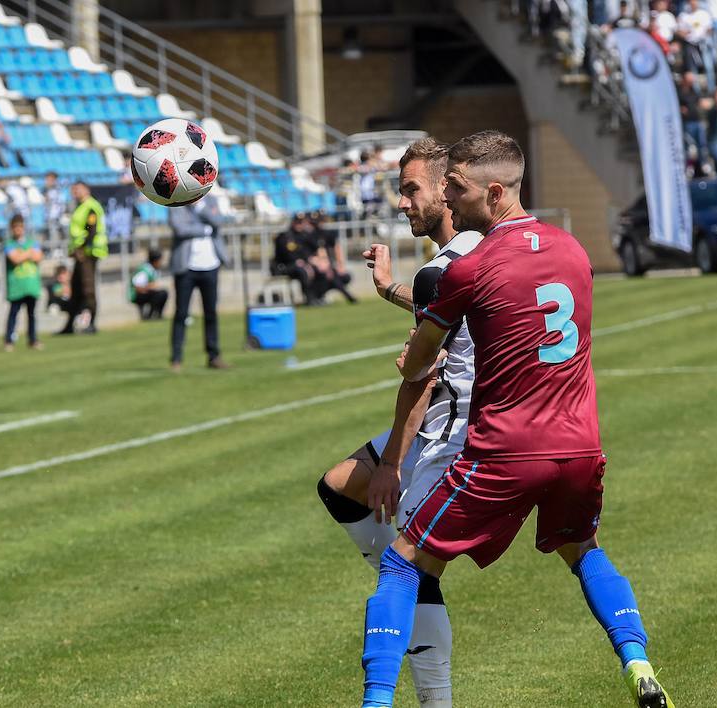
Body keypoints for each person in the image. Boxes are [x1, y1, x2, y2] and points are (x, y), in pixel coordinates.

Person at [357, 132, 673, 708]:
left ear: (494, 192)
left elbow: (421, 362)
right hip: (579, 445)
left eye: (456, 188)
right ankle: (639, 663)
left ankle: (376, 702)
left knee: (402, 564)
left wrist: (415, 351)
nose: (450, 198)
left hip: (504, 450)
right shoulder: (574, 250)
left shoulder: (469, 266)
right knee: (585, 551)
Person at [317, 138, 481, 708]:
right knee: (340, 486)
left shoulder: (446, 263)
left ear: (446, 188)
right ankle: (404, 581)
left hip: (453, 427)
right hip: (480, 420)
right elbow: (441, 308)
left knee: (407, 565)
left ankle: (425, 684)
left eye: (411, 189)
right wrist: (390, 288)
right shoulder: (477, 253)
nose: (402, 202)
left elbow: (422, 377)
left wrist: (390, 464)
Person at [168, 194, 229, 372]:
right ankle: (176, 358)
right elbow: (179, 229)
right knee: (181, 313)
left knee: (211, 313)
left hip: (210, 266)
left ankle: (213, 355)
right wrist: (205, 230)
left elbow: (218, 221)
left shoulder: (210, 202)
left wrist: (200, 207)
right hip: (186, 268)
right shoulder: (177, 204)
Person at [57, 181, 108, 335]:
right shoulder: (80, 207)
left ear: (86, 189)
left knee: (88, 289)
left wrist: (82, 247)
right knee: (77, 289)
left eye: (77, 189)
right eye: (73, 190)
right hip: (80, 253)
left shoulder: (90, 206)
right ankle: (69, 325)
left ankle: (91, 323)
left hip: (88, 254)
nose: (75, 192)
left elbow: (89, 227)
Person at [3, 214, 43, 351]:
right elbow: (15, 259)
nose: (18, 230)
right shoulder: (9, 244)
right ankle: (9, 340)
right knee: (13, 314)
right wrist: (28, 254)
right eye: (15, 227)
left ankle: (33, 339)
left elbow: (38, 257)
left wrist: (23, 255)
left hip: (31, 285)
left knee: (32, 315)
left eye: (20, 226)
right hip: (17, 286)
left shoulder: (32, 242)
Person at [271, 214, 320, 305]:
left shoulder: (304, 235)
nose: (300, 225)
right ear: (293, 223)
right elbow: (286, 255)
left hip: (300, 265)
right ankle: (309, 299)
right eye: (298, 222)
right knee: (302, 271)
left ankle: (318, 296)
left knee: (318, 269)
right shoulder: (285, 236)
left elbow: (312, 250)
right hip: (284, 267)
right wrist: (300, 262)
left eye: (302, 222)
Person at [129, 248, 169, 320]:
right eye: (160, 260)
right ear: (155, 261)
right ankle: (149, 316)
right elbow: (137, 287)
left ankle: (157, 315)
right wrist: (150, 287)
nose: (161, 262)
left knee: (163, 293)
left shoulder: (153, 269)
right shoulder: (145, 269)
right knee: (160, 294)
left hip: (146, 293)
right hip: (136, 296)